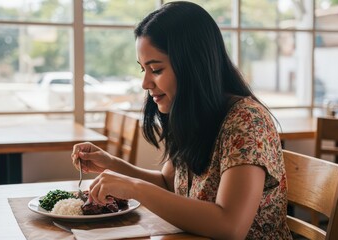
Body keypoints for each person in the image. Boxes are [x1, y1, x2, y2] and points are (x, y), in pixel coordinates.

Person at [72, 1, 292, 239]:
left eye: (155, 69)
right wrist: (111, 164)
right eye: (142, 69)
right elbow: (169, 185)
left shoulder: (246, 120)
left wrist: (134, 188)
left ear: (193, 66)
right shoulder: (191, 114)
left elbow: (230, 226)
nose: (145, 83)